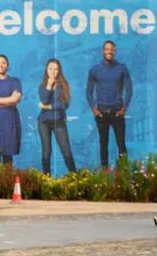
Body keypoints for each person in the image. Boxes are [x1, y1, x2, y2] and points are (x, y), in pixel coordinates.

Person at [86, 40, 134, 168]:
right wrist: (94, 110)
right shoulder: (94, 70)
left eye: (112, 49)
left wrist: (124, 108)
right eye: (107, 49)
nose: (109, 51)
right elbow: (88, 93)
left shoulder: (122, 68)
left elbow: (129, 90)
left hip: (117, 112)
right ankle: (104, 174)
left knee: (121, 145)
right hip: (101, 114)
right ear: (103, 51)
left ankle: (123, 173)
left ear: (115, 51)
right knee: (103, 145)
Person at [36, 58, 77, 176]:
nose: (53, 72)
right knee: (46, 152)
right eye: (50, 69)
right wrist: (49, 84)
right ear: (46, 70)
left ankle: (75, 177)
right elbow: (44, 99)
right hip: (43, 122)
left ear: (59, 71)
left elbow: (65, 104)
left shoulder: (63, 85)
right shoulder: (42, 86)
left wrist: (49, 107)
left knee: (66, 151)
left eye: (55, 69)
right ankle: (46, 179)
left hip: (58, 121)